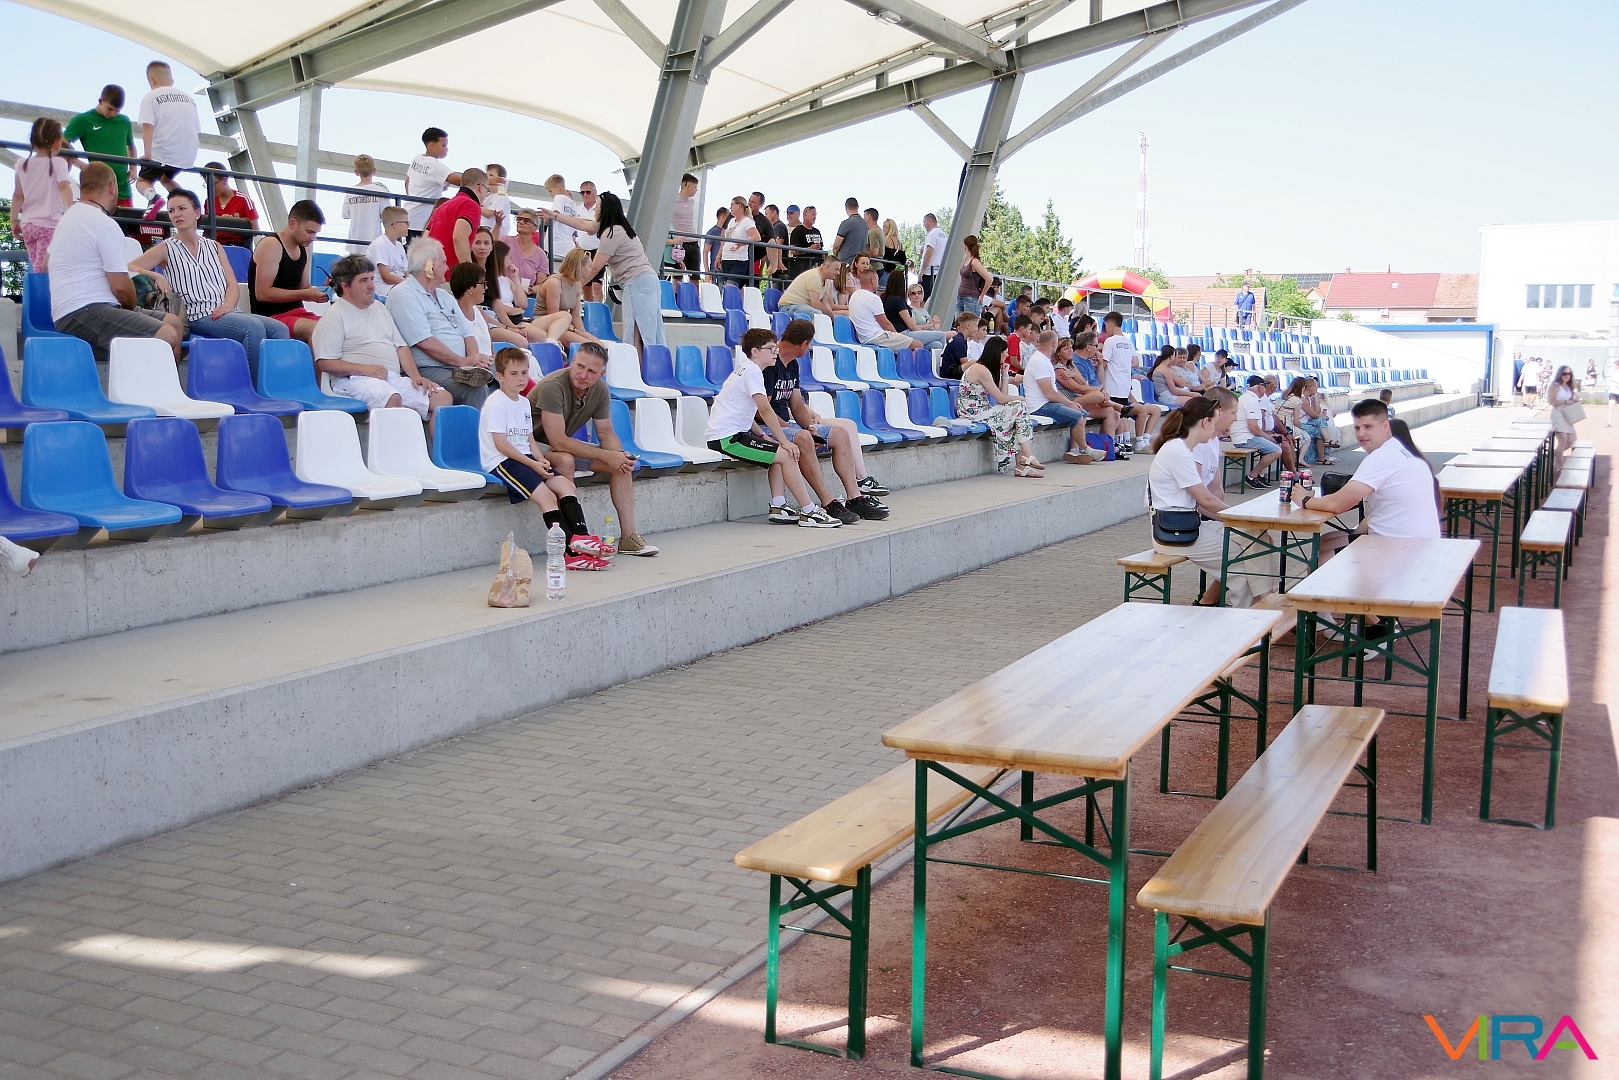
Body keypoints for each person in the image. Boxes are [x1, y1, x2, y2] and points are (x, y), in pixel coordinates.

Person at [127, 188, 289, 380]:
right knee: (252, 328)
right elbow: (128, 267)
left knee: (280, 329)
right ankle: (253, 388)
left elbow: (232, 284)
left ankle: (275, 385)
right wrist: (156, 276)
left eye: (182, 208)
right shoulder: (166, 248)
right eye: (171, 210)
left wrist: (228, 305)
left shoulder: (214, 246)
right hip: (196, 314)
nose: (176, 214)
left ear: (197, 212)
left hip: (226, 312)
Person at [480, 348, 609, 570]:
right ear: (499, 376)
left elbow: (529, 437)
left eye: (524, 373)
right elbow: (501, 444)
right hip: (502, 461)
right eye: (513, 374)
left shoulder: (523, 402)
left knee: (566, 485)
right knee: (548, 497)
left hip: (527, 458)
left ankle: (581, 538)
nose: (520, 378)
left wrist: (540, 458)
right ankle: (569, 553)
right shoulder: (496, 403)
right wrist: (532, 463)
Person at [704, 328, 842, 527]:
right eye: (770, 348)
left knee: (777, 452)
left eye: (775, 348)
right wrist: (785, 441)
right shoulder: (752, 372)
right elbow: (765, 410)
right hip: (728, 439)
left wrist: (763, 435)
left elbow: (744, 412)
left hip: (733, 435)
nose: (776, 352)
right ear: (755, 351)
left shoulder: (747, 369)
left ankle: (779, 506)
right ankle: (809, 511)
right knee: (787, 454)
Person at [47, 162, 183, 361]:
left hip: (76, 308)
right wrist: (131, 303)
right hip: (83, 310)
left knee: (175, 323)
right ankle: (147, 382)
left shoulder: (68, 219)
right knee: (167, 334)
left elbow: (45, 264)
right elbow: (120, 287)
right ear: (111, 187)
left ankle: (166, 381)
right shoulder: (104, 224)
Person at [532, 342, 659, 557]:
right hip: (530, 448)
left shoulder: (600, 390)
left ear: (601, 374)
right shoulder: (553, 386)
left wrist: (618, 456)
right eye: (580, 366)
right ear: (572, 362)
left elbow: (606, 433)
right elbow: (558, 441)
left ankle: (628, 537)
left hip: (557, 447)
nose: (583, 375)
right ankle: (571, 540)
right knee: (564, 459)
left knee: (621, 465)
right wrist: (607, 456)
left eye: (591, 371)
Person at [767, 319, 891, 522]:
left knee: (839, 434)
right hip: (767, 427)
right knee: (803, 438)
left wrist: (810, 427)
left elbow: (796, 405)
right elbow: (760, 411)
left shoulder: (792, 365)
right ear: (804, 344)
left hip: (788, 425)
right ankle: (828, 501)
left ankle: (854, 497)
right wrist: (793, 428)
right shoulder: (770, 363)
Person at [1289, 399, 1440, 562]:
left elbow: (1338, 504)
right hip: (1419, 543)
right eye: (1357, 428)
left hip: (1402, 547)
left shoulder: (1381, 458)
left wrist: (1305, 500)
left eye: (1368, 427)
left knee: (1318, 562)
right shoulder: (1399, 450)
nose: (1361, 434)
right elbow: (1377, 511)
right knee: (1325, 542)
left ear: (1385, 426)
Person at [313, 253, 451, 425]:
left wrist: (416, 376)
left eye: (372, 278)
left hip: (390, 378)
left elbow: (401, 347)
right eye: (363, 280)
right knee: (392, 398)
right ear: (346, 286)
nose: (372, 286)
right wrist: (365, 369)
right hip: (353, 379)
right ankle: (388, 441)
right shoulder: (334, 316)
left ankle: (434, 444)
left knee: (443, 398)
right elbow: (325, 363)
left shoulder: (379, 307)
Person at [1148, 396, 1250, 607]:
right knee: (1241, 562)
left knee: (1250, 539)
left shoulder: (1179, 448)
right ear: (1205, 422)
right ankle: (1248, 618)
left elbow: (1206, 500)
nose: (1214, 430)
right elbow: (1205, 500)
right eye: (1213, 423)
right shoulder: (1179, 451)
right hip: (1175, 533)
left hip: (1182, 526)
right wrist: (1239, 517)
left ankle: (1263, 600)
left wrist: (1238, 521)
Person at [543, 191, 665, 352]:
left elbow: (594, 268)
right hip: (646, 281)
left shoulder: (612, 232)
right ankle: (647, 365)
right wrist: (555, 216)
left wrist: (572, 286)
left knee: (638, 332)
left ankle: (639, 366)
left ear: (605, 209)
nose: (595, 209)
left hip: (636, 282)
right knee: (649, 330)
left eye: (598, 206)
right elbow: (583, 224)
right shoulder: (616, 227)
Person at [386, 237, 491, 407]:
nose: (447, 267)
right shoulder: (403, 295)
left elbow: (468, 332)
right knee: (475, 388)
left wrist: (473, 360)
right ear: (430, 265)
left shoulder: (444, 296)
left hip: (458, 366)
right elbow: (425, 342)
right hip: (429, 368)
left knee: (506, 375)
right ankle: (473, 426)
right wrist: (462, 362)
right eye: (443, 262)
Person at [957, 337, 1040, 475]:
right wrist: (1021, 398)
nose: (1007, 356)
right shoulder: (980, 369)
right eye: (1005, 353)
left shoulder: (986, 369)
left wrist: (1005, 375)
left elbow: (1003, 396)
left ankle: (1023, 463)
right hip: (973, 413)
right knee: (1019, 406)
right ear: (998, 353)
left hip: (983, 409)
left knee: (1017, 415)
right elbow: (1001, 399)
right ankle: (1025, 457)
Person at [248, 200, 326, 343]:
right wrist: (305, 293)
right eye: (310, 232)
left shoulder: (304, 249)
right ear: (292, 223)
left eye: (316, 233)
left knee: (339, 328)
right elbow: (262, 294)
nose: (313, 238)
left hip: (297, 314)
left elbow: (304, 288)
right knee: (317, 330)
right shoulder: (271, 244)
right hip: (270, 317)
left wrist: (324, 291)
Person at [1022, 330, 1101, 465]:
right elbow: (1049, 393)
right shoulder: (1039, 361)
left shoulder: (1044, 360)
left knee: (1081, 413)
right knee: (1077, 416)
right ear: (1054, 344)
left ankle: (1075, 450)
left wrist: (1069, 403)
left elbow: (1053, 390)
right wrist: (1069, 403)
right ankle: (1085, 449)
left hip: (1047, 403)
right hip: (1039, 407)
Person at [1076, 330, 1155, 451]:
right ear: (1088, 347)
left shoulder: (1088, 361)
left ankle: (1107, 447)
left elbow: (1100, 380)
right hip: (1084, 401)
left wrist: (1100, 365)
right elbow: (1083, 387)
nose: (1098, 349)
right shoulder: (1078, 362)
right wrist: (1100, 390)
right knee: (1102, 398)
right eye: (1096, 345)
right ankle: (1111, 444)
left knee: (1115, 413)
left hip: (1097, 398)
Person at [10, 118, 72, 271]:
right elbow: (64, 188)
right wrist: (71, 212)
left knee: (37, 266)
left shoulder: (21, 164)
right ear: (57, 143)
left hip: (28, 225)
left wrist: (13, 220)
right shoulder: (59, 163)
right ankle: (42, 288)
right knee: (44, 269)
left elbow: (18, 195)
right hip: (48, 225)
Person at [134, 61, 198, 205]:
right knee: (165, 178)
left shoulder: (151, 97)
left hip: (164, 154)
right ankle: (189, 202)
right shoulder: (190, 99)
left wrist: (147, 155)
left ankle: (153, 198)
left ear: (151, 80)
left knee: (142, 181)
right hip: (188, 156)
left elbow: (148, 126)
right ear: (172, 81)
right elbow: (196, 129)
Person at [63, 85, 136, 206]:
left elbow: (131, 147)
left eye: (117, 111)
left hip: (122, 189)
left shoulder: (124, 121)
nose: (113, 114)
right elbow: (62, 145)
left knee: (127, 218)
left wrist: (133, 168)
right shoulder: (83, 120)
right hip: (98, 190)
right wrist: (84, 167)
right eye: (110, 109)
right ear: (101, 101)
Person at [1056, 336, 1126, 447]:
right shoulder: (1058, 368)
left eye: (1071, 348)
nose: (1070, 350)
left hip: (1079, 399)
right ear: (1058, 353)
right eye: (1066, 348)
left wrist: (1074, 374)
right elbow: (1077, 388)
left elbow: (1084, 383)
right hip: (1069, 401)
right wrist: (1100, 389)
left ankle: (1106, 447)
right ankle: (1118, 406)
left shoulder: (1071, 365)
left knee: (1112, 412)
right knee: (1099, 395)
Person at [535, 247, 599, 350]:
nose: (590, 270)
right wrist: (575, 331)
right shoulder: (554, 283)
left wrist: (583, 333)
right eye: (589, 266)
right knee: (590, 347)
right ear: (581, 266)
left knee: (599, 345)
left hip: (566, 325)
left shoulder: (577, 284)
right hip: (548, 324)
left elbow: (576, 316)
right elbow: (554, 316)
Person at [426, 166, 488, 268]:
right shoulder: (471, 205)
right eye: (487, 191)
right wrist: (469, 270)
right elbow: (459, 237)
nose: (486, 196)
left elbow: (425, 238)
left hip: (434, 271)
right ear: (481, 187)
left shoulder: (441, 207)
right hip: (454, 272)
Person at [849, 269, 922, 350]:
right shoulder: (873, 298)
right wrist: (897, 336)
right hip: (876, 337)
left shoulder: (854, 295)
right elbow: (885, 324)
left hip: (864, 338)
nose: (878, 283)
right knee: (917, 345)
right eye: (877, 280)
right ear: (872, 281)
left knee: (924, 344)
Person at [1230, 376, 1283, 487]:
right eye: (1264, 386)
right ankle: (1252, 476)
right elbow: (1253, 427)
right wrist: (1267, 437)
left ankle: (1260, 475)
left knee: (1271, 446)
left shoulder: (1246, 398)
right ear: (1260, 387)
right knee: (1276, 450)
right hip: (1245, 438)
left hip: (1243, 436)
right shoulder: (1251, 401)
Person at [406, 128, 459, 235]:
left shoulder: (417, 158)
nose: (447, 149)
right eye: (444, 145)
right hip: (424, 220)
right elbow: (462, 181)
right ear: (432, 145)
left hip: (409, 214)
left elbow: (407, 182)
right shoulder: (436, 166)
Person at [884, 274, 947, 350]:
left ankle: (927, 357)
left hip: (903, 333)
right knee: (942, 335)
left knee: (936, 345)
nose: (916, 295)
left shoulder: (886, 299)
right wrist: (926, 329)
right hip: (905, 333)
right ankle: (945, 357)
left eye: (919, 293)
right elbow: (911, 326)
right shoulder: (900, 302)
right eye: (913, 293)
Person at [203, 163, 257, 247]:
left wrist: (236, 223)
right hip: (214, 246)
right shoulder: (208, 202)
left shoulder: (243, 199)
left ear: (225, 180)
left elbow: (255, 230)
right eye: (207, 185)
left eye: (213, 184)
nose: (210, 188)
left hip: (237, 246)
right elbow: (206, 232)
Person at [341, 154, 389, 242]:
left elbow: (345, 214)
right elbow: (387, 214)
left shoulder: (350, 192)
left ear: (356, 172)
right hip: (374, 239)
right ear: (374, 170)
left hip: (354, 240)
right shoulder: (380, 190)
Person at [1289, 377, 1336, 466]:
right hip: (1300, 424)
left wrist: (1315, 399)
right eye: (1315, 386)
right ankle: (1323, 454)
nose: (1317, 388)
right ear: (1310, 387)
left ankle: (1324, 450)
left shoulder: (1310, 398)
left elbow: (1317, 411)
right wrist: (1322, 416)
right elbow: (1313, 414)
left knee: (1321, 425)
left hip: (1309, 422)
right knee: (1320, 425)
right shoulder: (1301, 399)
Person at [366, 205, 409, 299]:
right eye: (406, 223)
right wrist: (410, 284)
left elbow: (406, 273)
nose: (408, 226)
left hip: (399, 286)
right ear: (395, 224)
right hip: (383, 289)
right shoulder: (380, 244)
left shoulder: (399, 246)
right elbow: (386, 277)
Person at [507, 209, 551, 296]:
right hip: (504, 293)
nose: (521, 222)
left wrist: (532, 290)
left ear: (535, 228)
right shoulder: (505, 241)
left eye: (526, 221)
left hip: (526, 296)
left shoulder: (540, 255)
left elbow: (541, 284)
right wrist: (498, 225)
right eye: (519, 219)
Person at [718, 195, 758, 286]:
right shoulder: (732, 221)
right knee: (728, 287)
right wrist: (718, 256)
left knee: (730, 286)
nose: (730, 208)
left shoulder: (747, 221)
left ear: (739, 205)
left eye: (732, 205)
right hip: (726, 259)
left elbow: (756, 236)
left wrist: (742, 243)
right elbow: (725, 239)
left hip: (738, 260)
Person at [574, 181, 605, 302]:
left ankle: (597, 309)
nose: (585, 195)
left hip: (598, 249)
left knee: (597, 285)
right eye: (582, 193)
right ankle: (589, 309)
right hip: (582, 250)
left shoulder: (600, 209)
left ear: (595, 193)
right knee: (585, 286)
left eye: (588, 192)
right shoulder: (577, 210)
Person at [670, 173, 700, 281]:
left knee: (695, 277)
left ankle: (694, 293)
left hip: (693, 241)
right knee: (677, 277)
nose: (696, 190)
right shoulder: (673, 200)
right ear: (687, 186)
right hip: (680, 243)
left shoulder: (692, 202)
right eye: (695, 187)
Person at [937, 312, 984, 379]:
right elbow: (965, 363)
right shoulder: (959, 341)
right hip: (949, 372)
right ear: (968, 326)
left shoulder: (960, 338)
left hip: (951, 369)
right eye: (976, 326)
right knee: (974, 363)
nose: (977, 329)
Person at [1548, 365, 1581, 457]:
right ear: (1560, 374)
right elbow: (1551, 401)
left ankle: (1550, 456)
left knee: (1572, 441)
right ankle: (1558, 464)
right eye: (1564, 374)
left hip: (1567, 415)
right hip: (1558, 415)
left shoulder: (1568, 386)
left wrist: (1574, 400)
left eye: (1569, 374)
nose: (1567, 376)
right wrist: (1566, 402)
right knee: (1562, 441)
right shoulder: (1555, 385)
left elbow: (1570, 398)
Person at [956, 235, 991, 317]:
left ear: (965, 246)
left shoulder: (974, 262)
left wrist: (982, 295)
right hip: (961, 297)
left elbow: (989, 279)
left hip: (971, 298)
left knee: (971, 322)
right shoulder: (966, 260)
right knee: (959, 322)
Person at [787, 205, 823, 278]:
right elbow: (792, 250)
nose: (815, 217)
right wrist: (809, 249)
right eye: (813, 214)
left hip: (817, 267)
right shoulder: (798, 230)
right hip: (802, 268)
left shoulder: (817, 231)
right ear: (805, 215)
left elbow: (821, 248)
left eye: (815, 215)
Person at [830, 197, 867, 266]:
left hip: (846, 263)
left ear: (846, 208)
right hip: (859, 263)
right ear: (858, 207)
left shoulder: (846, 223)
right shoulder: (865, 224)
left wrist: (835, 255)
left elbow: (836, 246)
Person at [918, 213, 947, 300]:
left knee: (923, 300)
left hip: (929, 273)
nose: (924, 225)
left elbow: (929, 254)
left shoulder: (932, 234)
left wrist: (922, 271)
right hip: (938, 271)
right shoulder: (943, 235)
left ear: (930, 220)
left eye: (924, 222)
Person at [481, 163, 512, 238]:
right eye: (486, 175)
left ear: (501, 180)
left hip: (496, 237)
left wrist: (472, 205)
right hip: (486, 235)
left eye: (491, 175)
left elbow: (489, 214)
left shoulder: (501, 196)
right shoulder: (488, 196)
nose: (487, 178)